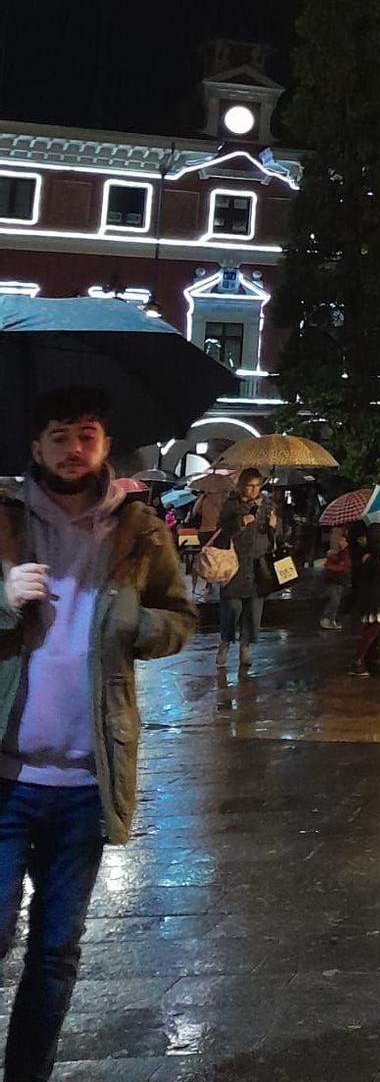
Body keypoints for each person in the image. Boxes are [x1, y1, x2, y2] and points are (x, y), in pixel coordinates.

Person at [0, 386, 195, 1078]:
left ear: (106, 445)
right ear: (35, 447)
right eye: (59, 435)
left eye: (87, 434)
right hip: (6, 776)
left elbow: (180, 614)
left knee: (57, 950)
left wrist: (142, 626)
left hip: (89, 778)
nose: (74, 447)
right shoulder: (4, 521)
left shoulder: (140, 528)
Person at [213, 468, 279, 676]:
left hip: (258, 564)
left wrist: (274, 527)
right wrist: (240, 522)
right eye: (250, 485)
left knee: (253, 611)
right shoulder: (232, 504)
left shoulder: (267, 505)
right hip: (235, 563)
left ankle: (245, 647)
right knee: (232, 607)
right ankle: (225, 641)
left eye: (257, 485)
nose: (254, 490)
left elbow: (279, 535)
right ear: (242, 485)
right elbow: (222, 531)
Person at [346, 521, 380, 676]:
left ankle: (362, 659)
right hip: (374, 603)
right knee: (369, 633)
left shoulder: (369, 559)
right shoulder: (375, 561)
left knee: (370, 632)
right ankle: (357, 660)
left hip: (371, 602)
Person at [319, 527, 351, 630]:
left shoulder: (342, 551)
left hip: (338, 578)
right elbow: (342, 564)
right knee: (334, 599)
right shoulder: (339, 551)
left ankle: (330, 619)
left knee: (336, 599)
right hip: (336, 578)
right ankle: (328, 619)